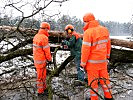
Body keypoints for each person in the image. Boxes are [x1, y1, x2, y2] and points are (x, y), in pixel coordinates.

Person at [80, 13, 113, 100]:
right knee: (105, 82)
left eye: (84, 22)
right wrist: (107, 56)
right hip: (103, 62)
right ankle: (109, 97)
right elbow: (108, 45)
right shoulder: (105, 30)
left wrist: (83, 64)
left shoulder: (88, 33)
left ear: (87, 22)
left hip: (92, 65)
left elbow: (85, 50)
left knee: (93, 84)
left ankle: (94, 99)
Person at [33, 22, 52, 96]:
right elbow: (47, 51)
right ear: (46, 28)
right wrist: (50, 59)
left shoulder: (36, 36)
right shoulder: (44, 38)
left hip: (37, 59)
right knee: (40, 77)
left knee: (42, 76)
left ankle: (44, 88)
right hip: (41, 60)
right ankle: (40, 92)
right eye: (48, 30)